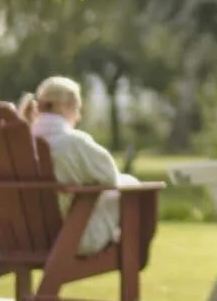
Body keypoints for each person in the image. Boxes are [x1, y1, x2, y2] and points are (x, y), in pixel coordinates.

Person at [18, 76, 145, 257]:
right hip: (73, 237)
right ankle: (138, 257)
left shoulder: (19, 145)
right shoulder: (74, 143)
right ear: (64, 107)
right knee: (133, 188)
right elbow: (111, 178)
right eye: (77, 109)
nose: (78, 116)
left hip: (30, 237)